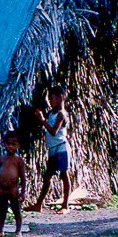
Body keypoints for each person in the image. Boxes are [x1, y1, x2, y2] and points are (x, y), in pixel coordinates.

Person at [26, 85, 71, 214]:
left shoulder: (62, 114)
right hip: (53, 149)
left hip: (61, 147)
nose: (49, 102)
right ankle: (38, 205)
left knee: (64, 175)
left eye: (51, 99)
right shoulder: (52, 113)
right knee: (47, 177)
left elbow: (53, 131)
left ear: (60, 97)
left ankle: (65, 206)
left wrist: (42, 120)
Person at [0, 130, 28, 237]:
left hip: (13, 190)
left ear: (18, 146)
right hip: (1, 189)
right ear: (4, 144)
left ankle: (18, 231)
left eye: (13, 144)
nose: (10, 147)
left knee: (16, 210)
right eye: (8, 144)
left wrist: (23, 192)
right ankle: (0, 230)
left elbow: (22, 177)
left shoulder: (19, 160)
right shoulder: (0, 159)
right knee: (2, 211)